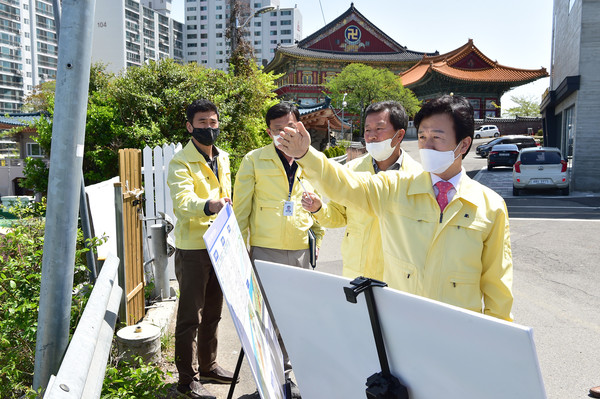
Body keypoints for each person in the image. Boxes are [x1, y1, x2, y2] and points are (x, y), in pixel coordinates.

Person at [278, 94, 514, 321]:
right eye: (422, 137)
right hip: (401, 320)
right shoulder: (395, 187)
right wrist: (306, 155)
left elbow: (498, 285)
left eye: (437, 138)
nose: (427, 146)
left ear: (463, 145)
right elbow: (345, 186)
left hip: (457, 328)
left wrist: (497, 339)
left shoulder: (490, 206)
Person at [233, 101, 325, 396]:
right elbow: (240, 211)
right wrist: (239, 254)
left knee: (295, 318)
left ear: (300, 126)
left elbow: (320, 203)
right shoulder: (253, 160)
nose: (283, 133)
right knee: (266, 321)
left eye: (289, 126)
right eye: (276, 129)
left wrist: (318, 241)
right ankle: (268, 383)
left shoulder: (312, 160)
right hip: (265, 252)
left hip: (300, 252)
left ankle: (289, 380)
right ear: (268, 130)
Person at [301, 101, 422, 280]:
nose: (371, 136)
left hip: (397, 279)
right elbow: (339, 216)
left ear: (399, 135)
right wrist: (319, 209)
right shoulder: (351, 170)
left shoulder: (418, 177)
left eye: (379, 129)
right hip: (356, 273)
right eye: (367, 130)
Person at [167, 99, 236, 399]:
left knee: (213, 312)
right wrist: (211, 205)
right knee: (189, 316)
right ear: (189, 126)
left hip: (220, 243)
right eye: (202, 123)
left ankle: (208, 366)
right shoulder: (180, 162)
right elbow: (182, 206)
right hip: (194, 248)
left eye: (213, 122)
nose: (209, 127)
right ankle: (187, 379)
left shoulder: (224, 157)